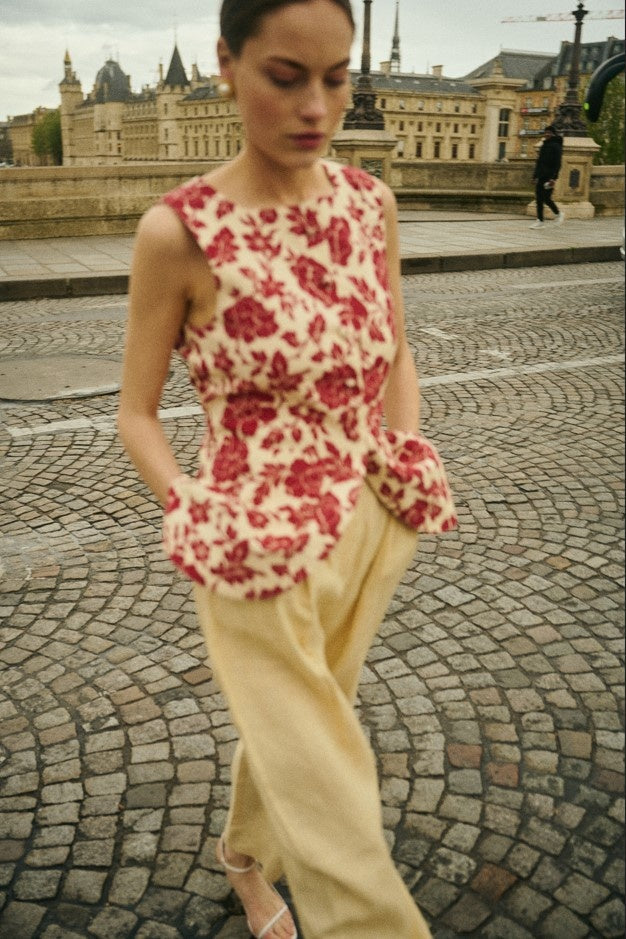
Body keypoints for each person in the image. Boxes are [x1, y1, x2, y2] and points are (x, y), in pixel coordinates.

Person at [117, 1, 456, 936]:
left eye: (336, 79)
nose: (317, 106)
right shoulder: (178, 233)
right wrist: (195, 507)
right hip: (248, 542)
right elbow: (136, 415)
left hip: (367, 521)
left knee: (304, 721)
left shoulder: (369, 204)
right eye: (285, 76)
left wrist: (401, 449)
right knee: (330, 779)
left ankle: (241, 855)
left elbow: (395, 348)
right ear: (226, 65)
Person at [530, 124, 565, 229]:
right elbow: (539, 162)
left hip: (549, 176)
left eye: (549, 133)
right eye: (545, 132)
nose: (547, 134)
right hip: (541, 175)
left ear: (553, 134)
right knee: (539, 199)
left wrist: (553, 178)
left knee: (546, 198)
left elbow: (558, 164)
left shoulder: (556, 146)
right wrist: (534, 176)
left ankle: (558, 214)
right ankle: (540, 220)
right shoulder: (544, 146)